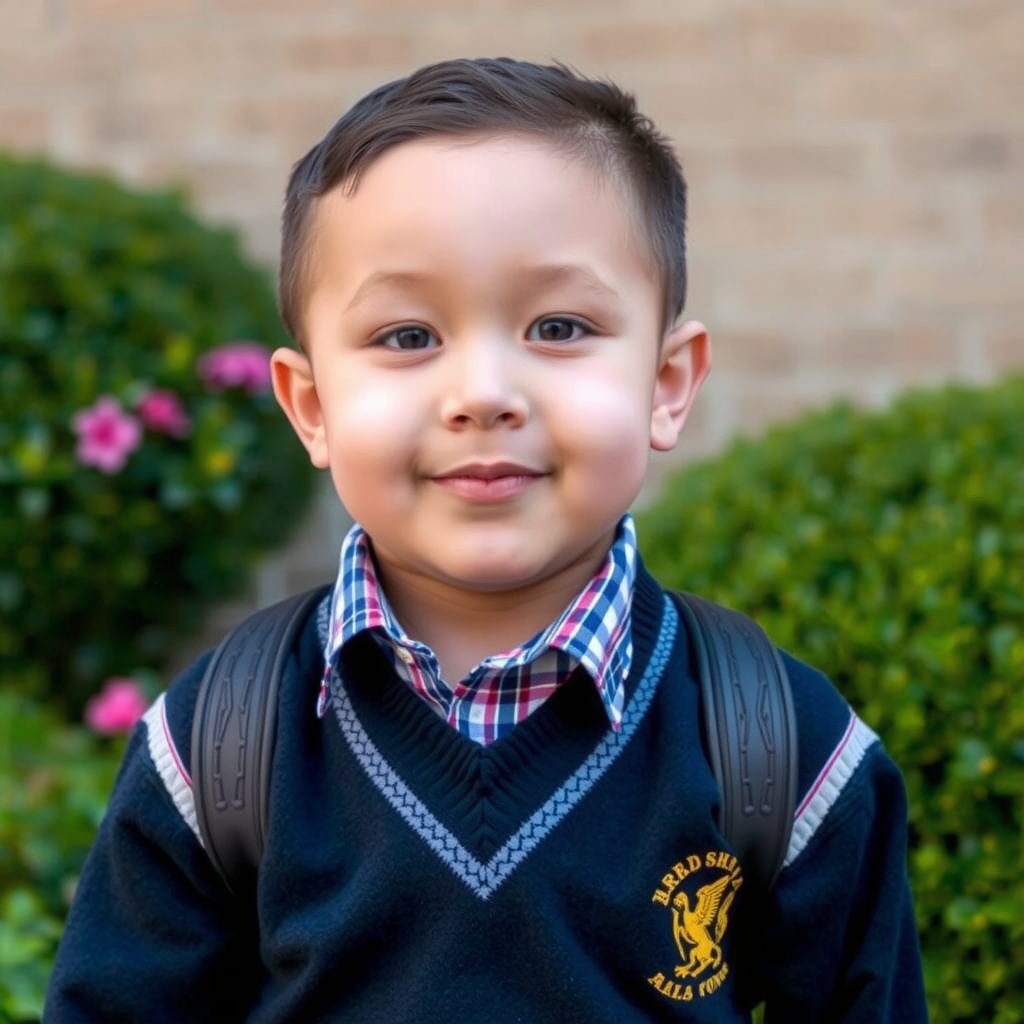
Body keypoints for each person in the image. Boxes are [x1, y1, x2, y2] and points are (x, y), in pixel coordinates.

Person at [46, 58, 927, 1022]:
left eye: (558, 324)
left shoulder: (784, 749)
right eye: (407, 337)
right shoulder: (217, 748)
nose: (482, 394)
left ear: (667, 383)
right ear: (310, 406)